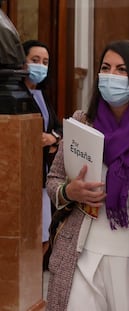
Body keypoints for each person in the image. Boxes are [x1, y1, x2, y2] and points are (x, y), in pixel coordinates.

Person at [45, 40, 129, 311]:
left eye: (121, 70)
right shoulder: (82, 122)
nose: (111, 76)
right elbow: (54, 180)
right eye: (106, 68)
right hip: (82, 254)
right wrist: (68, 192)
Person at [22, 40, 62, 259]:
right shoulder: (14, 95)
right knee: (27, 239)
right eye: (35, 60)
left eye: (45, 62)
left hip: (43, 176)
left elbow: (57, 126)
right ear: (23, 62)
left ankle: (33, 288)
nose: (40, 66)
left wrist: (52, 138)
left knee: (44, 238)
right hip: (22, 175)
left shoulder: (42, 94)